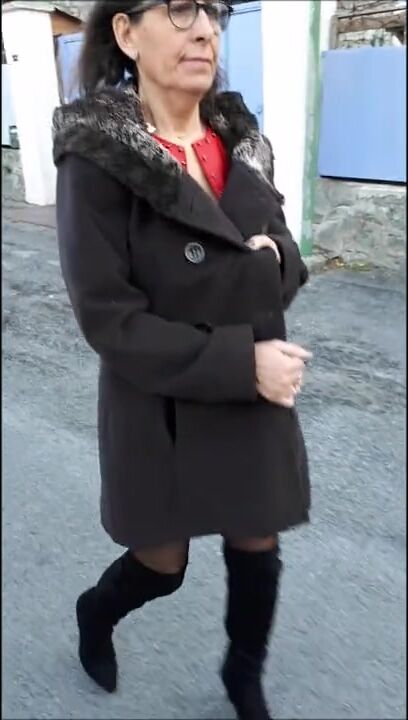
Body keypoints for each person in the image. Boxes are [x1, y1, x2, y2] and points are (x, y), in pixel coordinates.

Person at [53, 1, 312, 718]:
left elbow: (288, 259)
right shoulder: (97, 158)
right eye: (179, 9)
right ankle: (96, 612)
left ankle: (242, 675)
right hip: (160, 395)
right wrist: (243, 363)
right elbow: (110, 319)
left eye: (214, 13)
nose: (205, 29)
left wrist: (274, 262)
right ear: (127, 32)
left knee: (256, 541)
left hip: (252, 390)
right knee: (162, 564)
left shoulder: (243, 145)